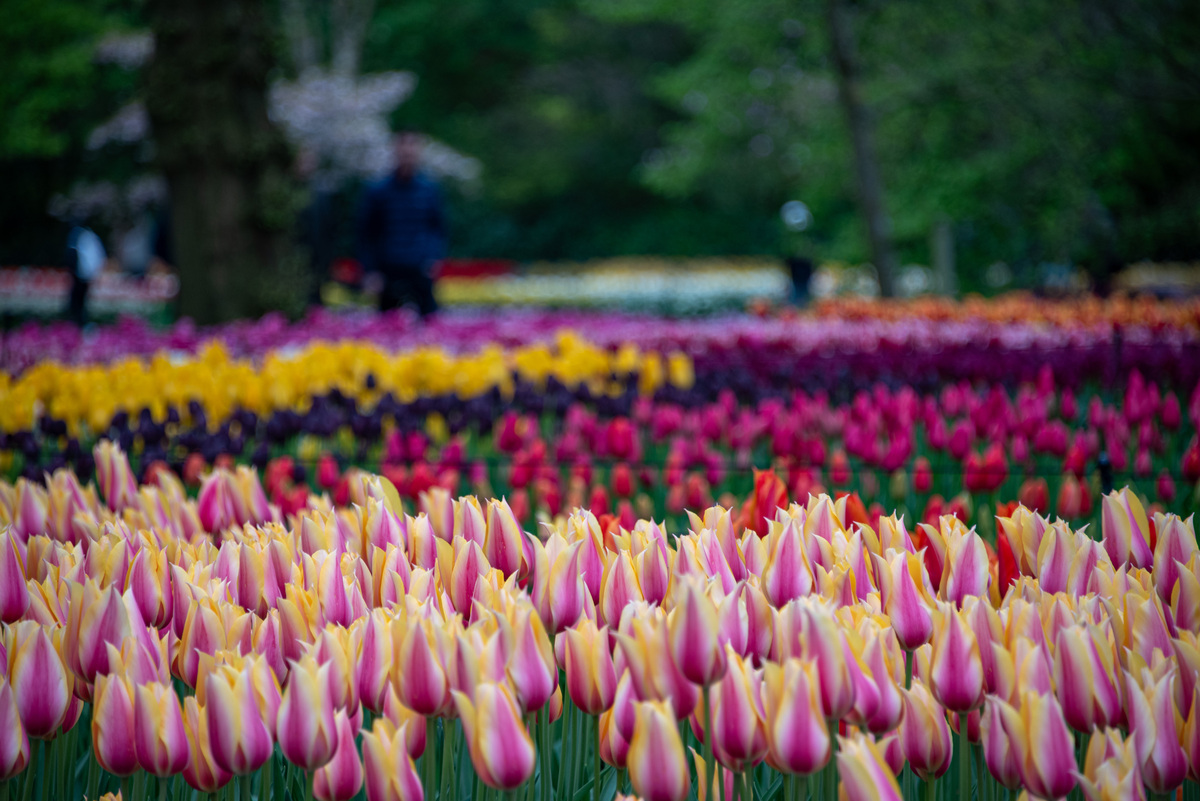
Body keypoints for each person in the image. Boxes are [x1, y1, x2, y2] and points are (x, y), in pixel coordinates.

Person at [356, 131, 446, 317]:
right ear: (395, 152)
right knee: (386, 328)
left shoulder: (430, 190)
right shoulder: (378, 191)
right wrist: (370, 270)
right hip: (388, 268)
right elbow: (366, 233)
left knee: (431, 325)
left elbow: (439, 227)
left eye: (412, 151)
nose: (408, 156)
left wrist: (434, 256)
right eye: (404, 151)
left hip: (420, 268)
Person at [64, 220, 106, 326]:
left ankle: (79, 321)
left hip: (82, 274)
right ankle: (78, 321)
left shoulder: (82, 237)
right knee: (79, 300)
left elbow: (86, 258)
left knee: (79, 300)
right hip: (83, 274)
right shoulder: (88, 237)